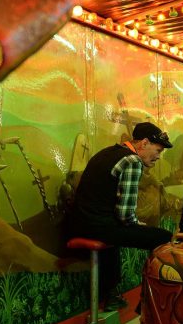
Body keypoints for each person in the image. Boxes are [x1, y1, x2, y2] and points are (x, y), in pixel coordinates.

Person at [69, 122, 174, 308]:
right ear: (144, 143)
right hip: (98, 227)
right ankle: (152, 302)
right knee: (164, 237)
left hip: (79, 224)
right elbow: (125, 215)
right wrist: (136, 224)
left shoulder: (106, 153)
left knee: (117, 234)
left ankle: (109, 294)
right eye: (157, 150)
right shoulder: (132, 161)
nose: (158, 156)